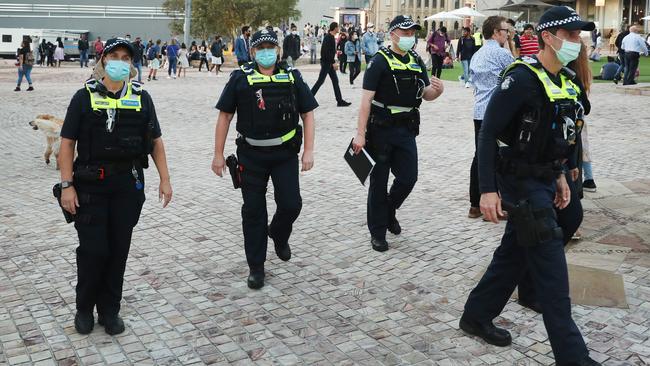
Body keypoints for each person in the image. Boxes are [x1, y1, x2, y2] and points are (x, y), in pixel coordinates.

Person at [458, 7, 601, 366]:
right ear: (548, 37)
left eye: (578, 35)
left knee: (530, 241)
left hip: (544, 176)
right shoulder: (520, 78)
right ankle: (573, 357)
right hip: (517, 179)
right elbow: (489, 133)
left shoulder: (566, 81)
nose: (576, 42)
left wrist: (560, 174)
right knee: (547, 251)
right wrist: (487, 190)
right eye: (570, 35)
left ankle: (476, 314)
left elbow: (559, 135)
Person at [58, 38, 172, 335]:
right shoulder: (83, 97)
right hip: (90, 186)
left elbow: (156, 141)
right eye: (114, 56)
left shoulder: (142, 97)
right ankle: (84, 307)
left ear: (132, 63)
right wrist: (67, 185)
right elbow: (67, 144)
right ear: (104, 60)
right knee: (94, 250)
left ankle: (110, 310)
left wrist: (165, 178)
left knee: (118, 250)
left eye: (126, 57)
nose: (120, 61)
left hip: (127, 186)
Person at [211, 29, 317, 289]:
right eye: (261, 48)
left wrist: (309, 150)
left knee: (291, 204)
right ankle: (256, 267)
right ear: (253, 52)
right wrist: (217, 154)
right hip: (251, 155)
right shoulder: (240, 78)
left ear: (278, 50)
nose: (266, 52)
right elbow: (225, 116)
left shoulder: (292, 77)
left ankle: (279, 233)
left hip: (284, 154)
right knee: (253, 211)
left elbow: (308, 113)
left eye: (271, 47)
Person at [351, 15, 444, 252]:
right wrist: (360, 134)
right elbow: (366, 101)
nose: (409, 37)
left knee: (408, 177)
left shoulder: (415, 60)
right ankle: (378, 232)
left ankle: (389, 209)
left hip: (406, 129)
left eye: (413, 33)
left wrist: (437, 91)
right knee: (378, 183)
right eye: (405, 33)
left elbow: (425, 94)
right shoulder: (379, 61)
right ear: (393, 34)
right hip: (380, 129)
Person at [467, 16, 514, 219]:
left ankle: (475, 204)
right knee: (499, 157)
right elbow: (517, 73)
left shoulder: (478, 54)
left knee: (481, 155)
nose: (508, 34)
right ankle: (496, 204)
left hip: (479, 110)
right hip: (497, 111)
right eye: (506, 31)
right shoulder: (501, 53)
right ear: (496, 32)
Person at [311, 22, 351, 107]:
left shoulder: (332, 37)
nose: (339, 28)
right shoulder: (328, 37)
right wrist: (333, 62)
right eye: (338, 27)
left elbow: (330, 51)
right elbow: (325, 52)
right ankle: (308, 98)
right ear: (335, 28)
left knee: (335, 81)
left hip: (329, 63)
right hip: (326, 63)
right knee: (320, 81)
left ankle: (339, 101)